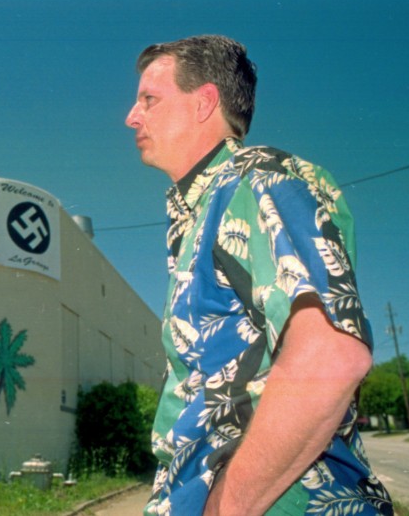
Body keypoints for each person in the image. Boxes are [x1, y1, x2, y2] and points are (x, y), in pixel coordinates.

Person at [125, 35, 392, 516]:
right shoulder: (201, 214)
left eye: (149, 99)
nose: (132, 116)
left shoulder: (255, 179)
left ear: (205, 101)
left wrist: (226, 507)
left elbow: (329, 357)